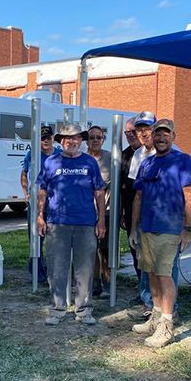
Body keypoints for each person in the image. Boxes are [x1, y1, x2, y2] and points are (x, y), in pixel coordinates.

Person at [129, 119, 191, 348]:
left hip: (169, 229)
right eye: (157, 134)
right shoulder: (146, 164)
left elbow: (190, 198)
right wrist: (133, 228)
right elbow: (138, 198)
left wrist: (187, 230)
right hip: (146, 228)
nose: (161, 138)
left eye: (165, 134)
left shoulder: (183, 161)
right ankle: (156, 318)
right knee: (150, 274)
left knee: (165, 276)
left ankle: (167, 325)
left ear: (173, 136)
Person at [36, 123, 105, 326]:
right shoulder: (50, 162)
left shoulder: (90, 162)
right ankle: (57, 309)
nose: (71, 141)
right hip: (57, 223)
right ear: (61, 141)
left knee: (84, 269)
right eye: (67, 138)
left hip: (85, 223)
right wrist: (40, 215)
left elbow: (99, 193)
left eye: (75, 138)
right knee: (57, 268)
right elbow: (42, 190)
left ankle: (83, 310)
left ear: (81, 140)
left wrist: (101, 220)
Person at [20, 125, 61, 284]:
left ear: (52, 138)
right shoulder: (32, 155)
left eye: (48, 137)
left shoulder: (59, 155)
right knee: (35, 238)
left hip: (54, 203)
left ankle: (54, 272)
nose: (45, 140)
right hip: (35, 203)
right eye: (42, 138)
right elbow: (24, 174)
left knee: (55, 239)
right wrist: (26, 193)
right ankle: (37, 273)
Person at [86, 125, 112, 298]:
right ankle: (95, 282)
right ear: (86, 140)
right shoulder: (81, 159)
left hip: (107, 210)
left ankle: (109, 281)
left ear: (103, 139)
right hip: (87, 212)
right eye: (92, 137)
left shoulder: (110, 158)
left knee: (107, 249)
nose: (95, 140)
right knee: (91, 248)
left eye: (98, 137)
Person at [120, 116, 143, 281]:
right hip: (129, 210)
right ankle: (142, 289)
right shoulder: (125, 155)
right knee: (135, 249)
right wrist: (121, 211)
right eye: (127, 132)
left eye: (133, 131)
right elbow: (120, 186)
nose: (130, 135)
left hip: (148, 210)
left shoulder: (150, 152)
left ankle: (151, 293)